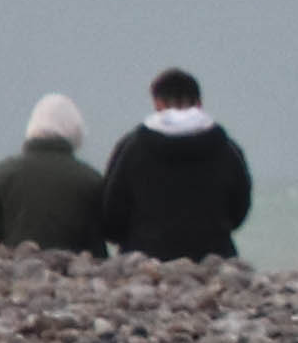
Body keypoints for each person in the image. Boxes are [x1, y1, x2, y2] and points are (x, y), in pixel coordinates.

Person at [95, 69, 248, 263]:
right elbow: (239, 208)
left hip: (144, 259)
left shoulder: (132, 146)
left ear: (157, 103)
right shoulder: (226, 147)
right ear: (199, 103)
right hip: (213, 256)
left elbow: (112, 211)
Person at [0, 94, 103, 255]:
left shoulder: (1, 174)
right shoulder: (91, 180)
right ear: (76, 132)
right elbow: (97, 251)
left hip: (11, 274)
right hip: (70, 274)